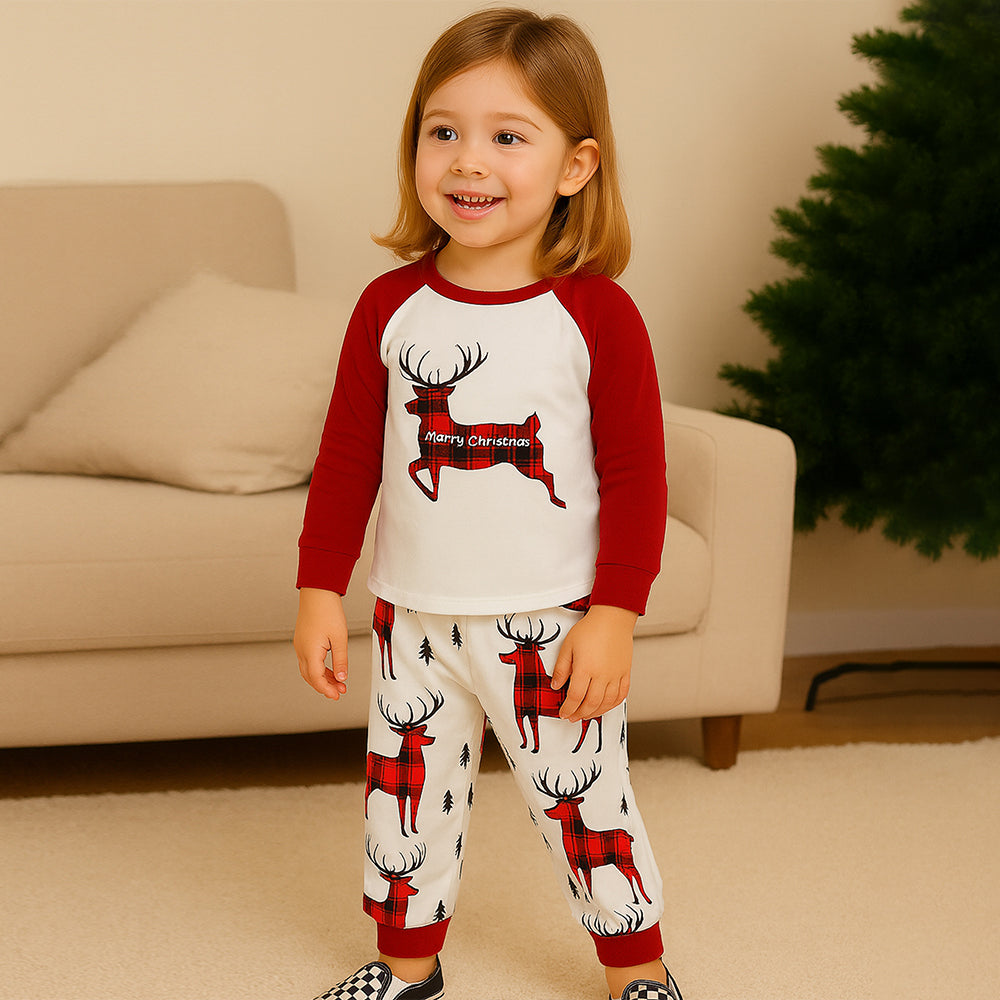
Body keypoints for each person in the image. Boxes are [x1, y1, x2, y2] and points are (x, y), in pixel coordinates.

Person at [293, 8, 681, 1000]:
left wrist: (614, 614)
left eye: (508, 136)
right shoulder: (389, 307)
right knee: (404, 804)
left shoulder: (596, 314)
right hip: (413, 618)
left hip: (553, 624)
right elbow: (347, 459)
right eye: (444, 131)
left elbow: (638, 476)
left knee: (584, 800)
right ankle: (406, 965)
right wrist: (318, 590)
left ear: (575, 166)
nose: (468, 160)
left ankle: (636, 971)